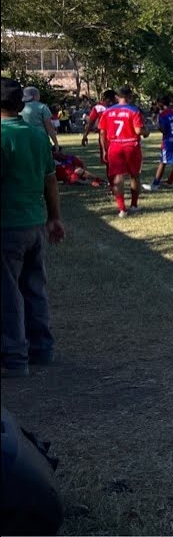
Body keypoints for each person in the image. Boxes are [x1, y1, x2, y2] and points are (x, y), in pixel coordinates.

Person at [1, 78, 66, 378]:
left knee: (7, 292)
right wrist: (54, 217)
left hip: (8, 223)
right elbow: (50, 180)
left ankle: (14, 357)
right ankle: (42, 348)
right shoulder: (37, 136)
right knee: (34, 287)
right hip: (34, 222)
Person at [99, 86, 149, 217]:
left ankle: (121, 208)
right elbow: (138, 130)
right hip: (131, 145)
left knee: (117, 176)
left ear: (117, 97)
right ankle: (133, 205)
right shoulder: (134, 110)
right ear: (130, 96)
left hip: (114, 146)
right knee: (134, 175)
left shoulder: (107, 111)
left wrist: (104, 149)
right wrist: (146, 132)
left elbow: (102, 133)